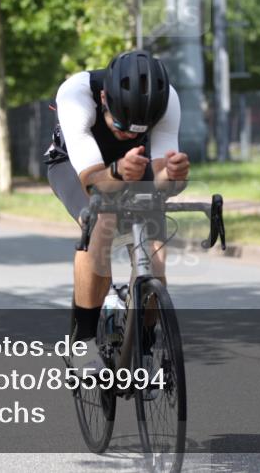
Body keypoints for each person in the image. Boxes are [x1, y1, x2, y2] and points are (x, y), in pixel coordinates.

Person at [44, 49, 190, 373]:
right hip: (76, 166)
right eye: (121, 125)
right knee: (101, 220)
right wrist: (118, 173)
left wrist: (173, 176)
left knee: (155, 257)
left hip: (133, 165)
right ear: (103, 98)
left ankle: (145, 345)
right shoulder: (75, 96)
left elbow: (161, 180)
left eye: (138, 130)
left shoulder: (167, 101)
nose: (127, 134)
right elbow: (94, 183)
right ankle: (82, 341)